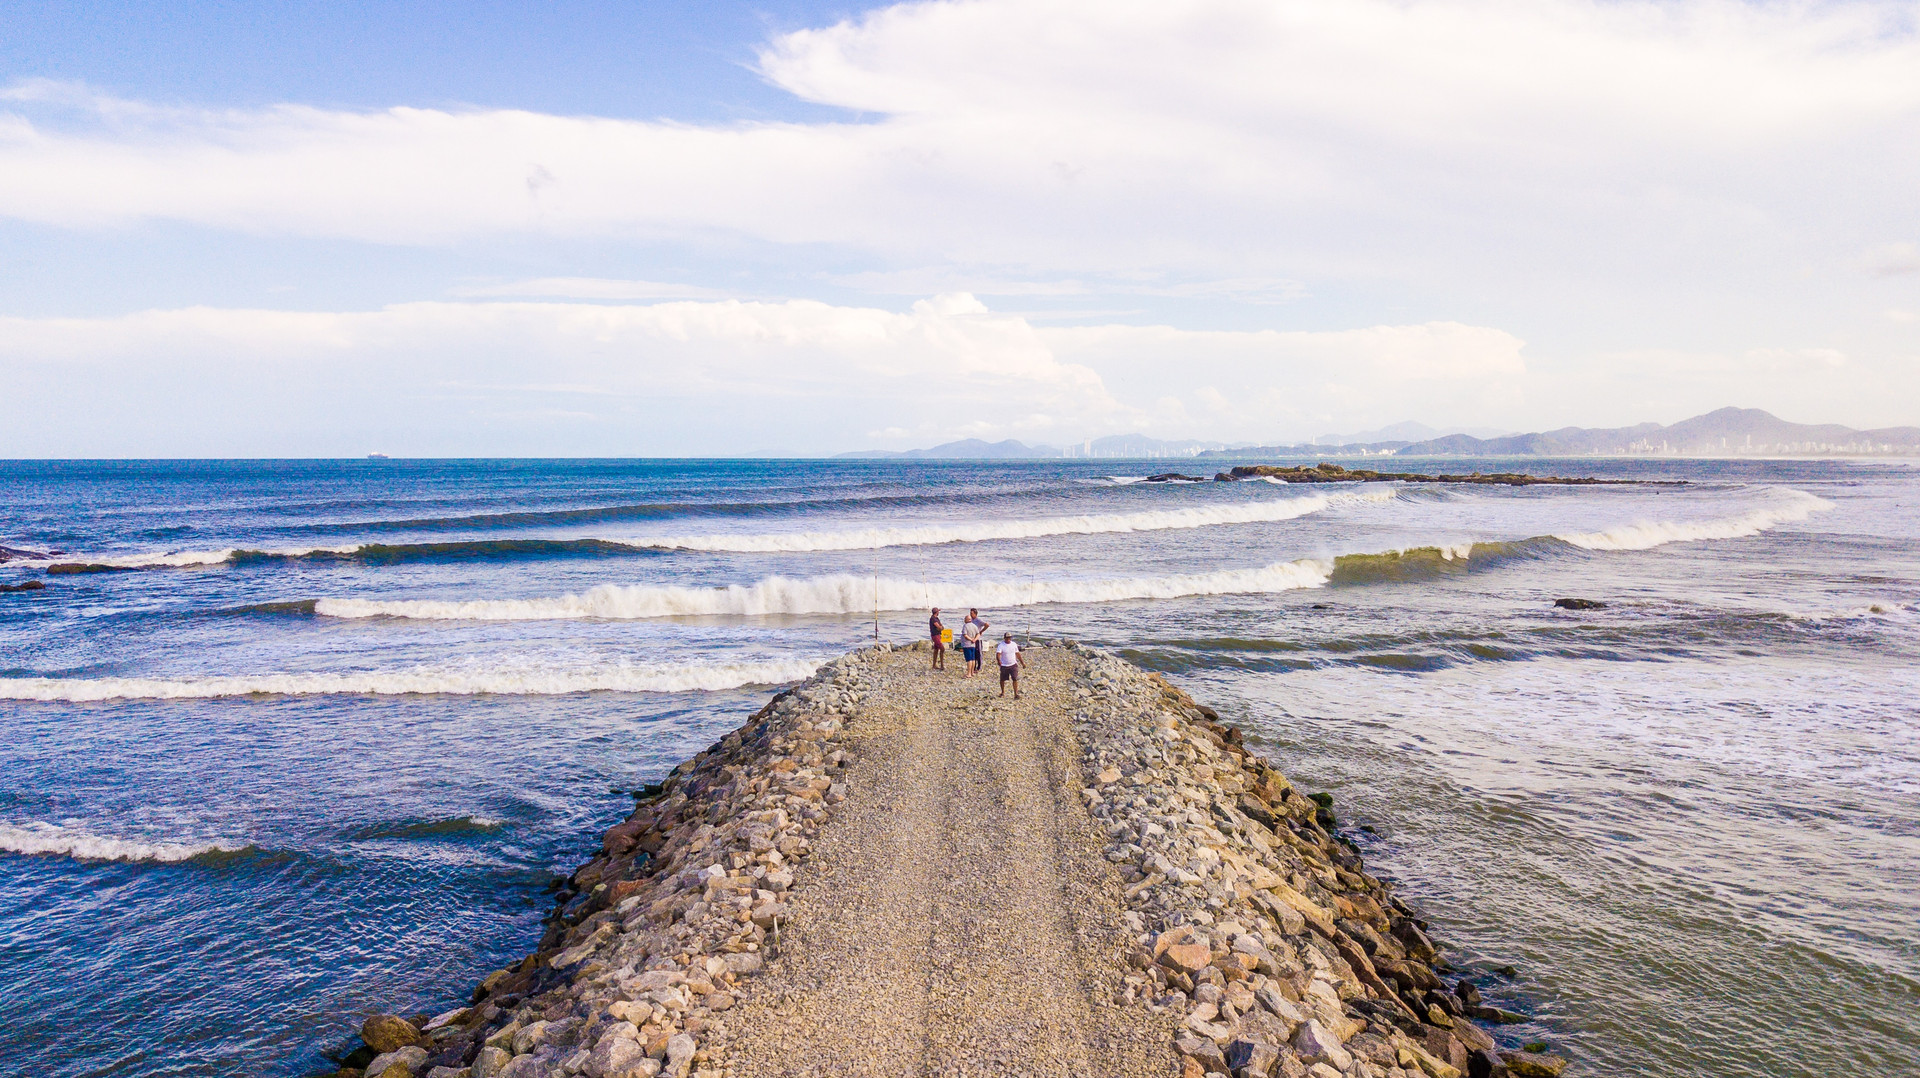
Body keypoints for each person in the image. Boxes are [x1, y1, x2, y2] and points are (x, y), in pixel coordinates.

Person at [960, 608, 990, 678]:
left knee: (975, 655)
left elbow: (987, 625)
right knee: (973, 657)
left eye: (972, 613)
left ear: (975, 614)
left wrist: (981, 631)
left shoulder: (978, 620)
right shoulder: (972, 623)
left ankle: (975, 669)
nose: (971, 614)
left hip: (972, 641)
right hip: (973, 640)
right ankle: (972, 670)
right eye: (970, 613)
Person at [995, 631, 1023, 699]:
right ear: (1004, 638)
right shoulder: (1001, 645)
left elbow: (1017, 653)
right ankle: (1002, 692)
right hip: (1004, 665)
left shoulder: (1014, 644)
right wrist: (999, 661)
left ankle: (1016, 694)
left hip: (1013, 664)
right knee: (1002, 679)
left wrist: (1022, 662)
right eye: (1007, 638)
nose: (1008, 639)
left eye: (1009, 638)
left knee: (1015, 678)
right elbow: (998, 653)